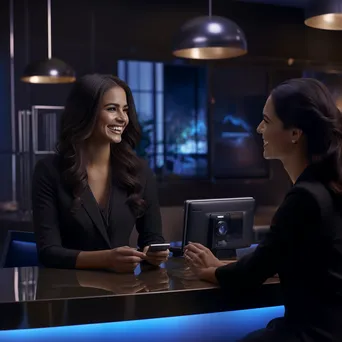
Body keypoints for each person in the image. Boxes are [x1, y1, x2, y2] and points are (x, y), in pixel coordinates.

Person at [184, 78, 342, 341]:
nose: (258, 129)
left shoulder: (305, 197)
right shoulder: (329, 187)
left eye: (266, 121)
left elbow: (252, 274)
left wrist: (209, 270)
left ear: (295, 133)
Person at [32, 74, 168, 272]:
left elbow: (152, 237)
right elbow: (49, 252)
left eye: (125, 110)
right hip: (66, 292)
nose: (122, 118)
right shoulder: (49, 171)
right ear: (85, 113)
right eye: (112, 109)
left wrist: (155, 252)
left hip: (125, 292)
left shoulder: (140, 171)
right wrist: (106, 259)